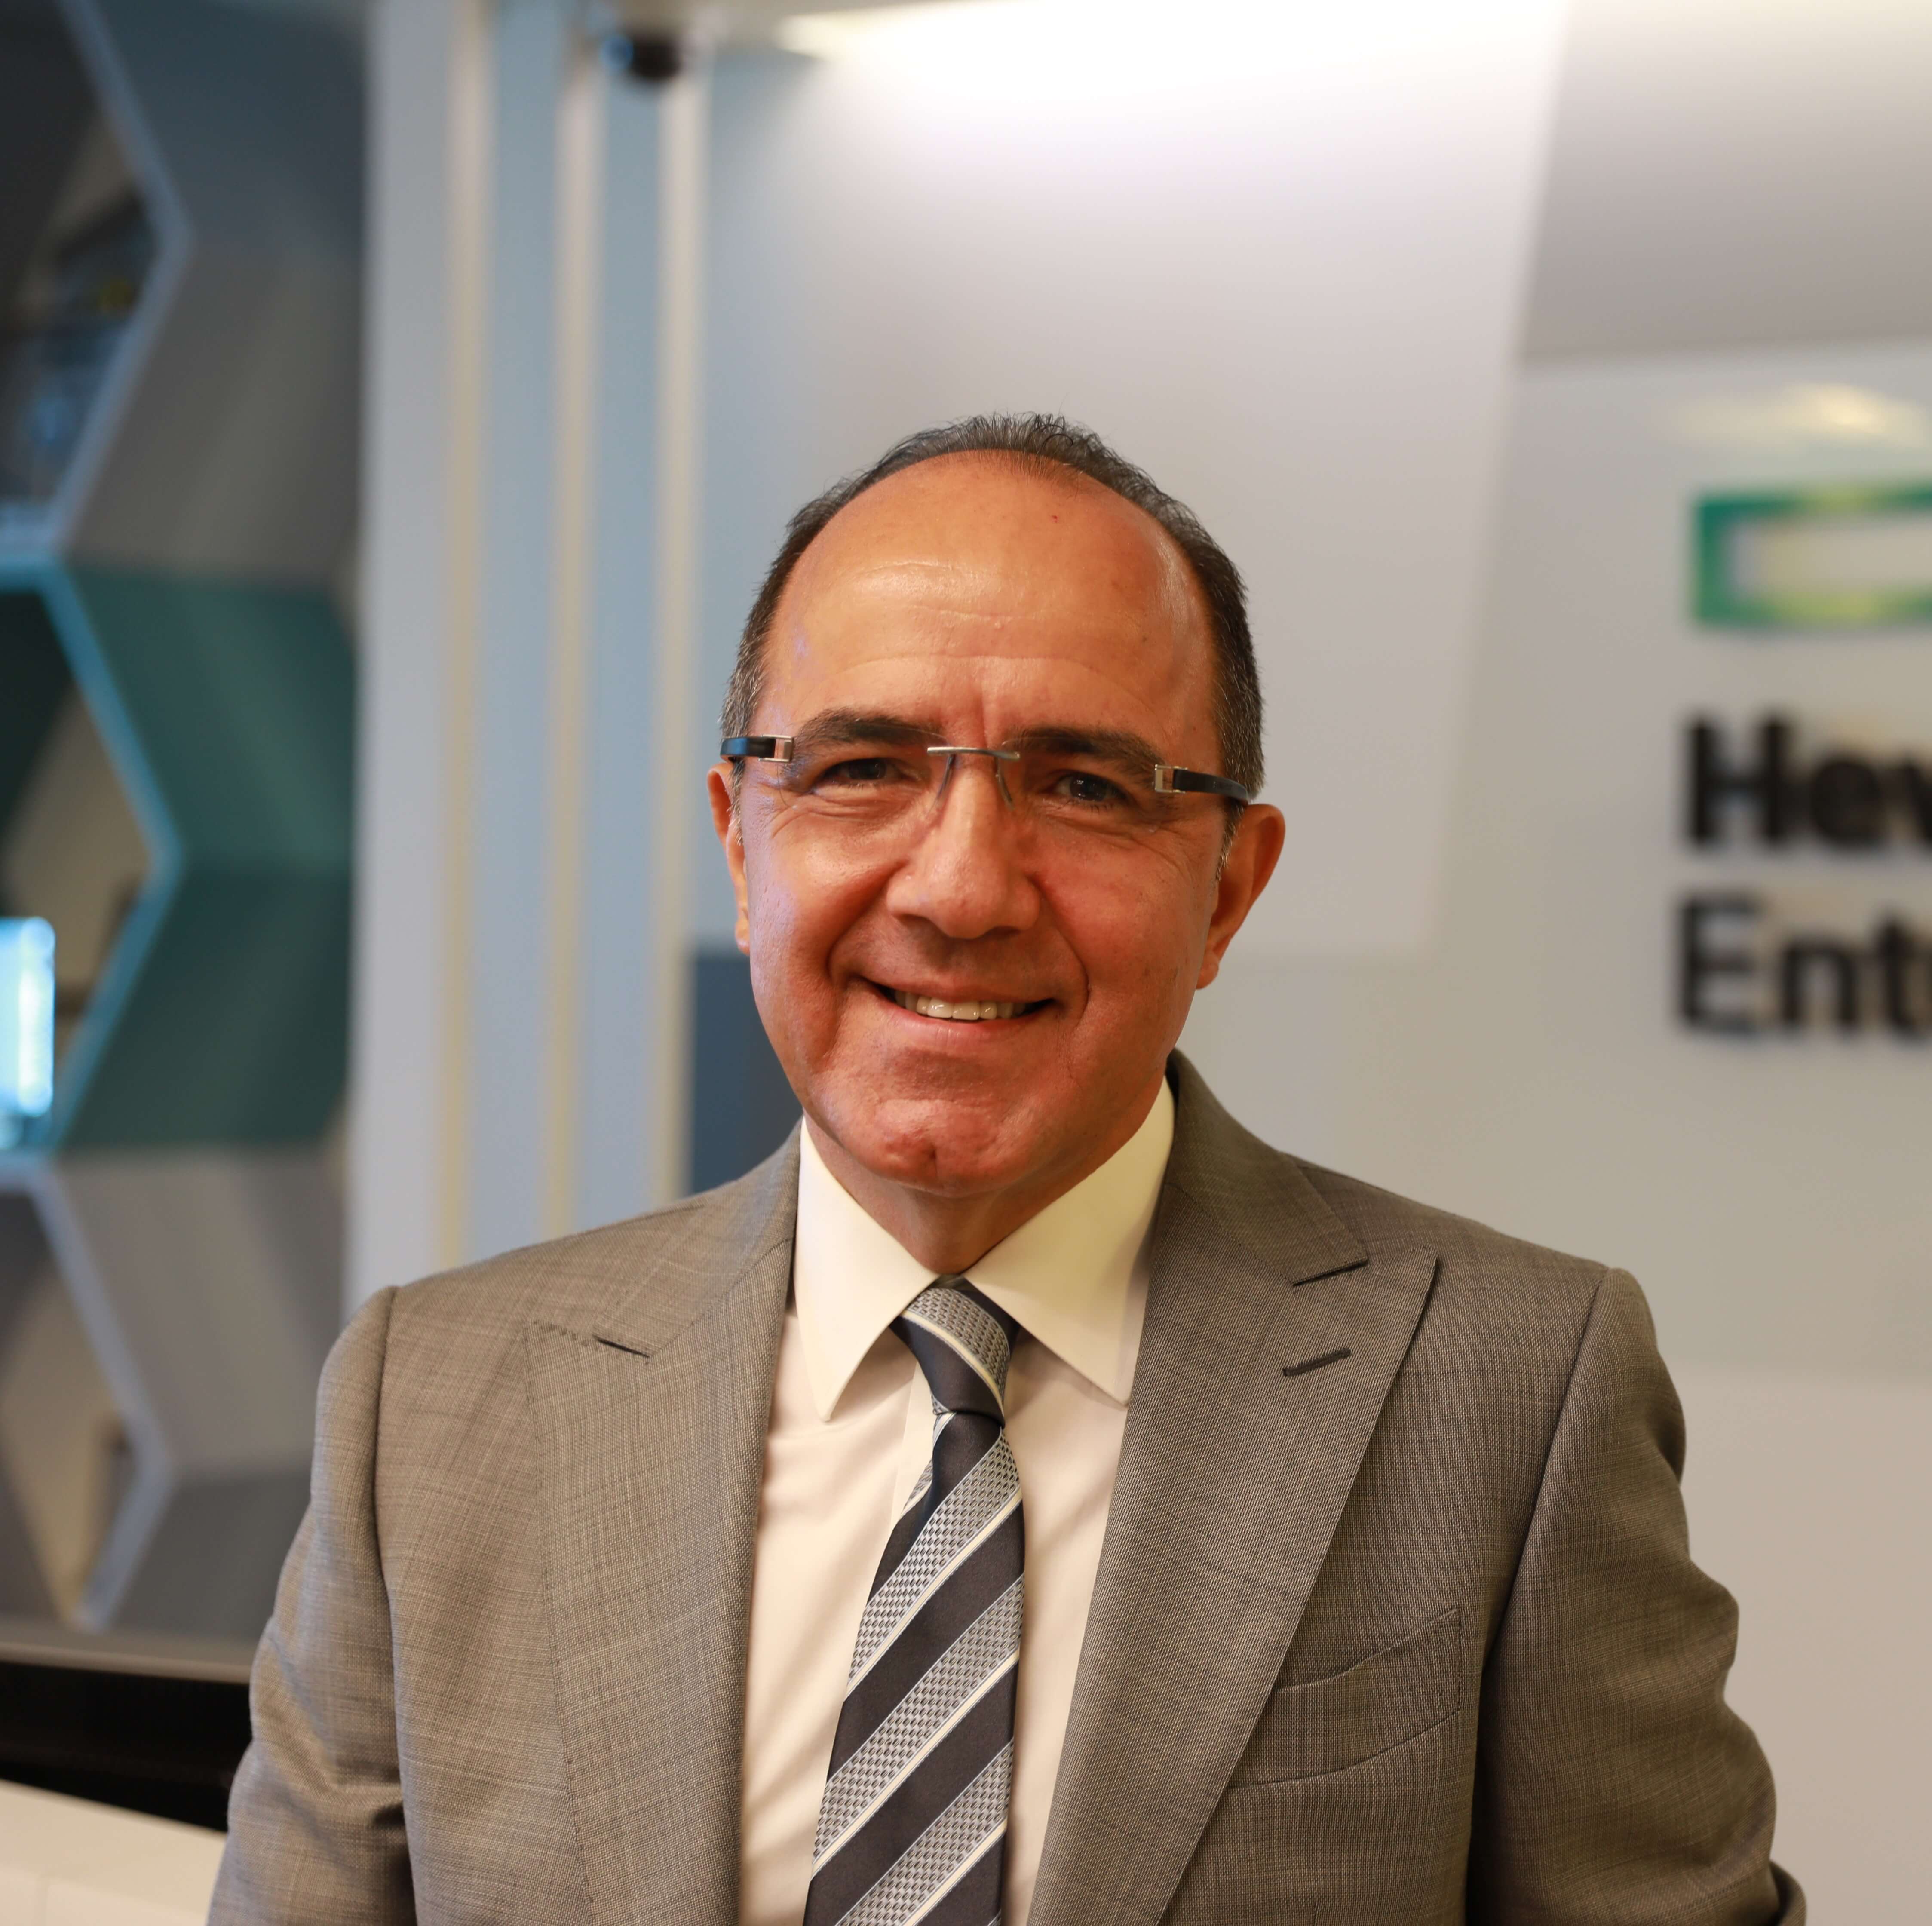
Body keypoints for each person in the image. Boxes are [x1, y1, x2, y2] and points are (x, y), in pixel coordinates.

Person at [212, 415, 1800, 1925]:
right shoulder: (431, 1406)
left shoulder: (1514, 1394)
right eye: (861, 768)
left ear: (1228, 890)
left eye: (1086, 786)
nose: (962, 889)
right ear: (742, 841)